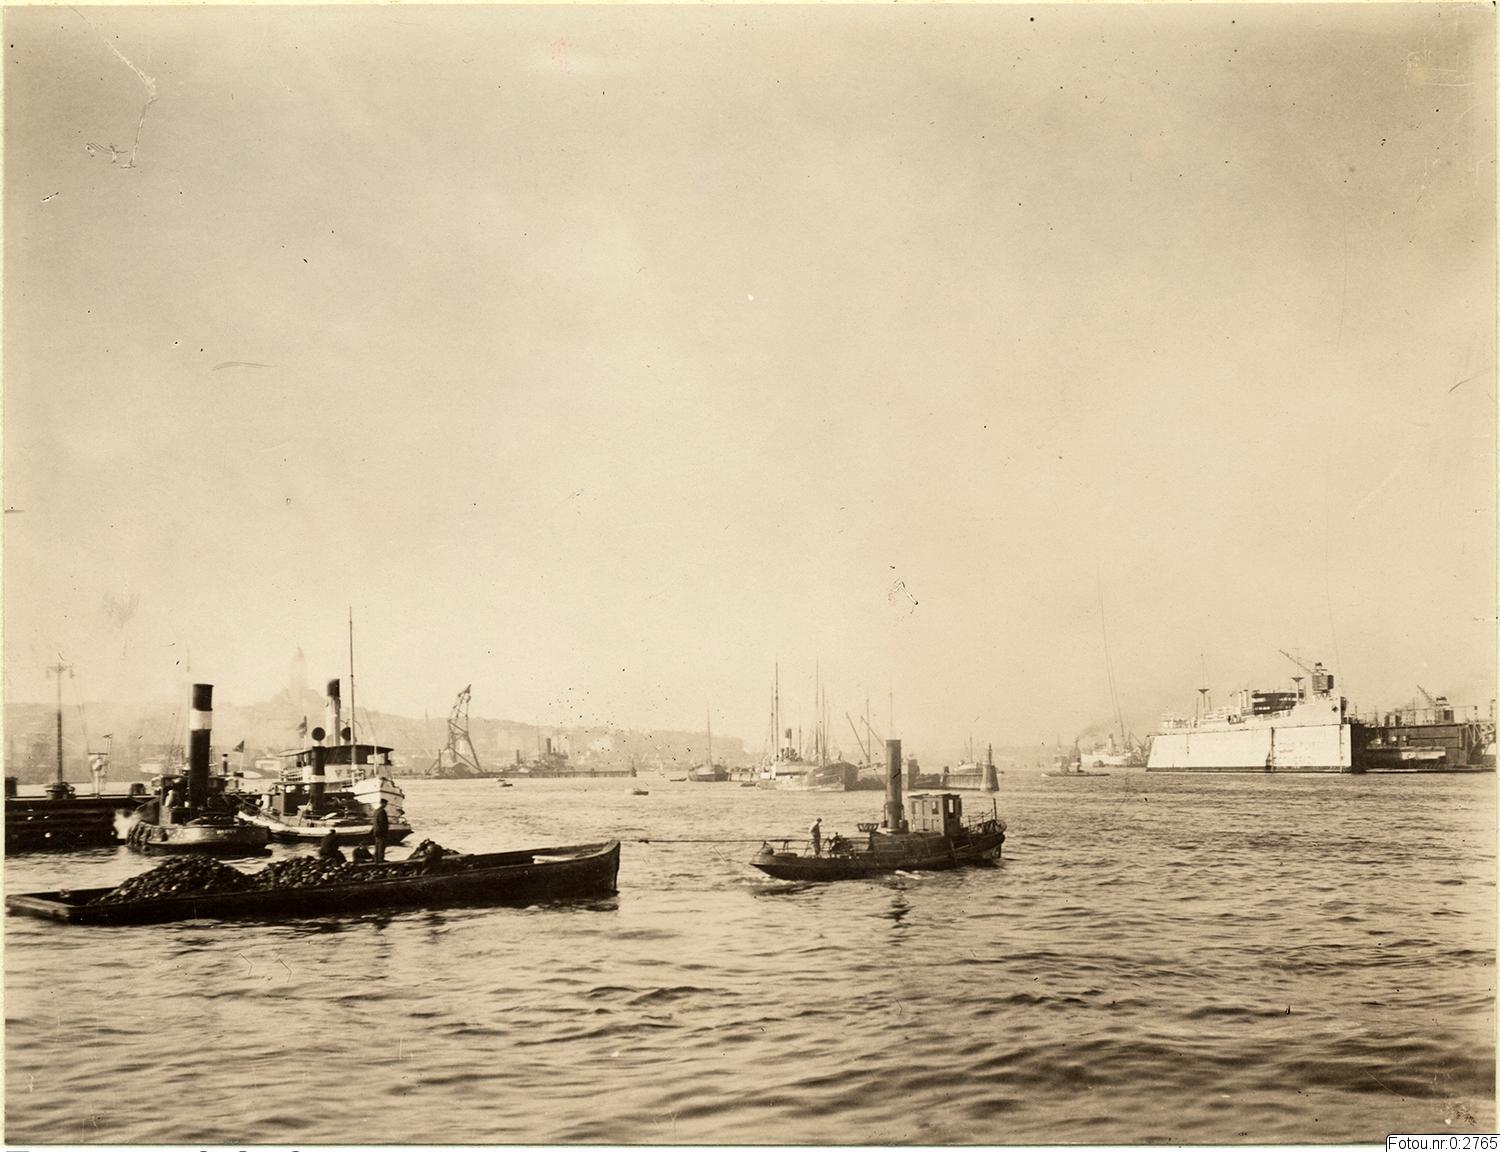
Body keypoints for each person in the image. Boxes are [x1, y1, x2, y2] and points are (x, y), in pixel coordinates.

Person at [372, 798, 390, 863]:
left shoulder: (376, 811)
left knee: (377, 845)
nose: (386, 805)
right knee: (381, 845)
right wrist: (385, 831)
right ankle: (380, 859)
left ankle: (376, 858)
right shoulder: (382, 812)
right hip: (381, 832)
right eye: (385, 804)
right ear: (382, 803)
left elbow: (375, 822)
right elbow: (382, 823)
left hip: (376, 831)